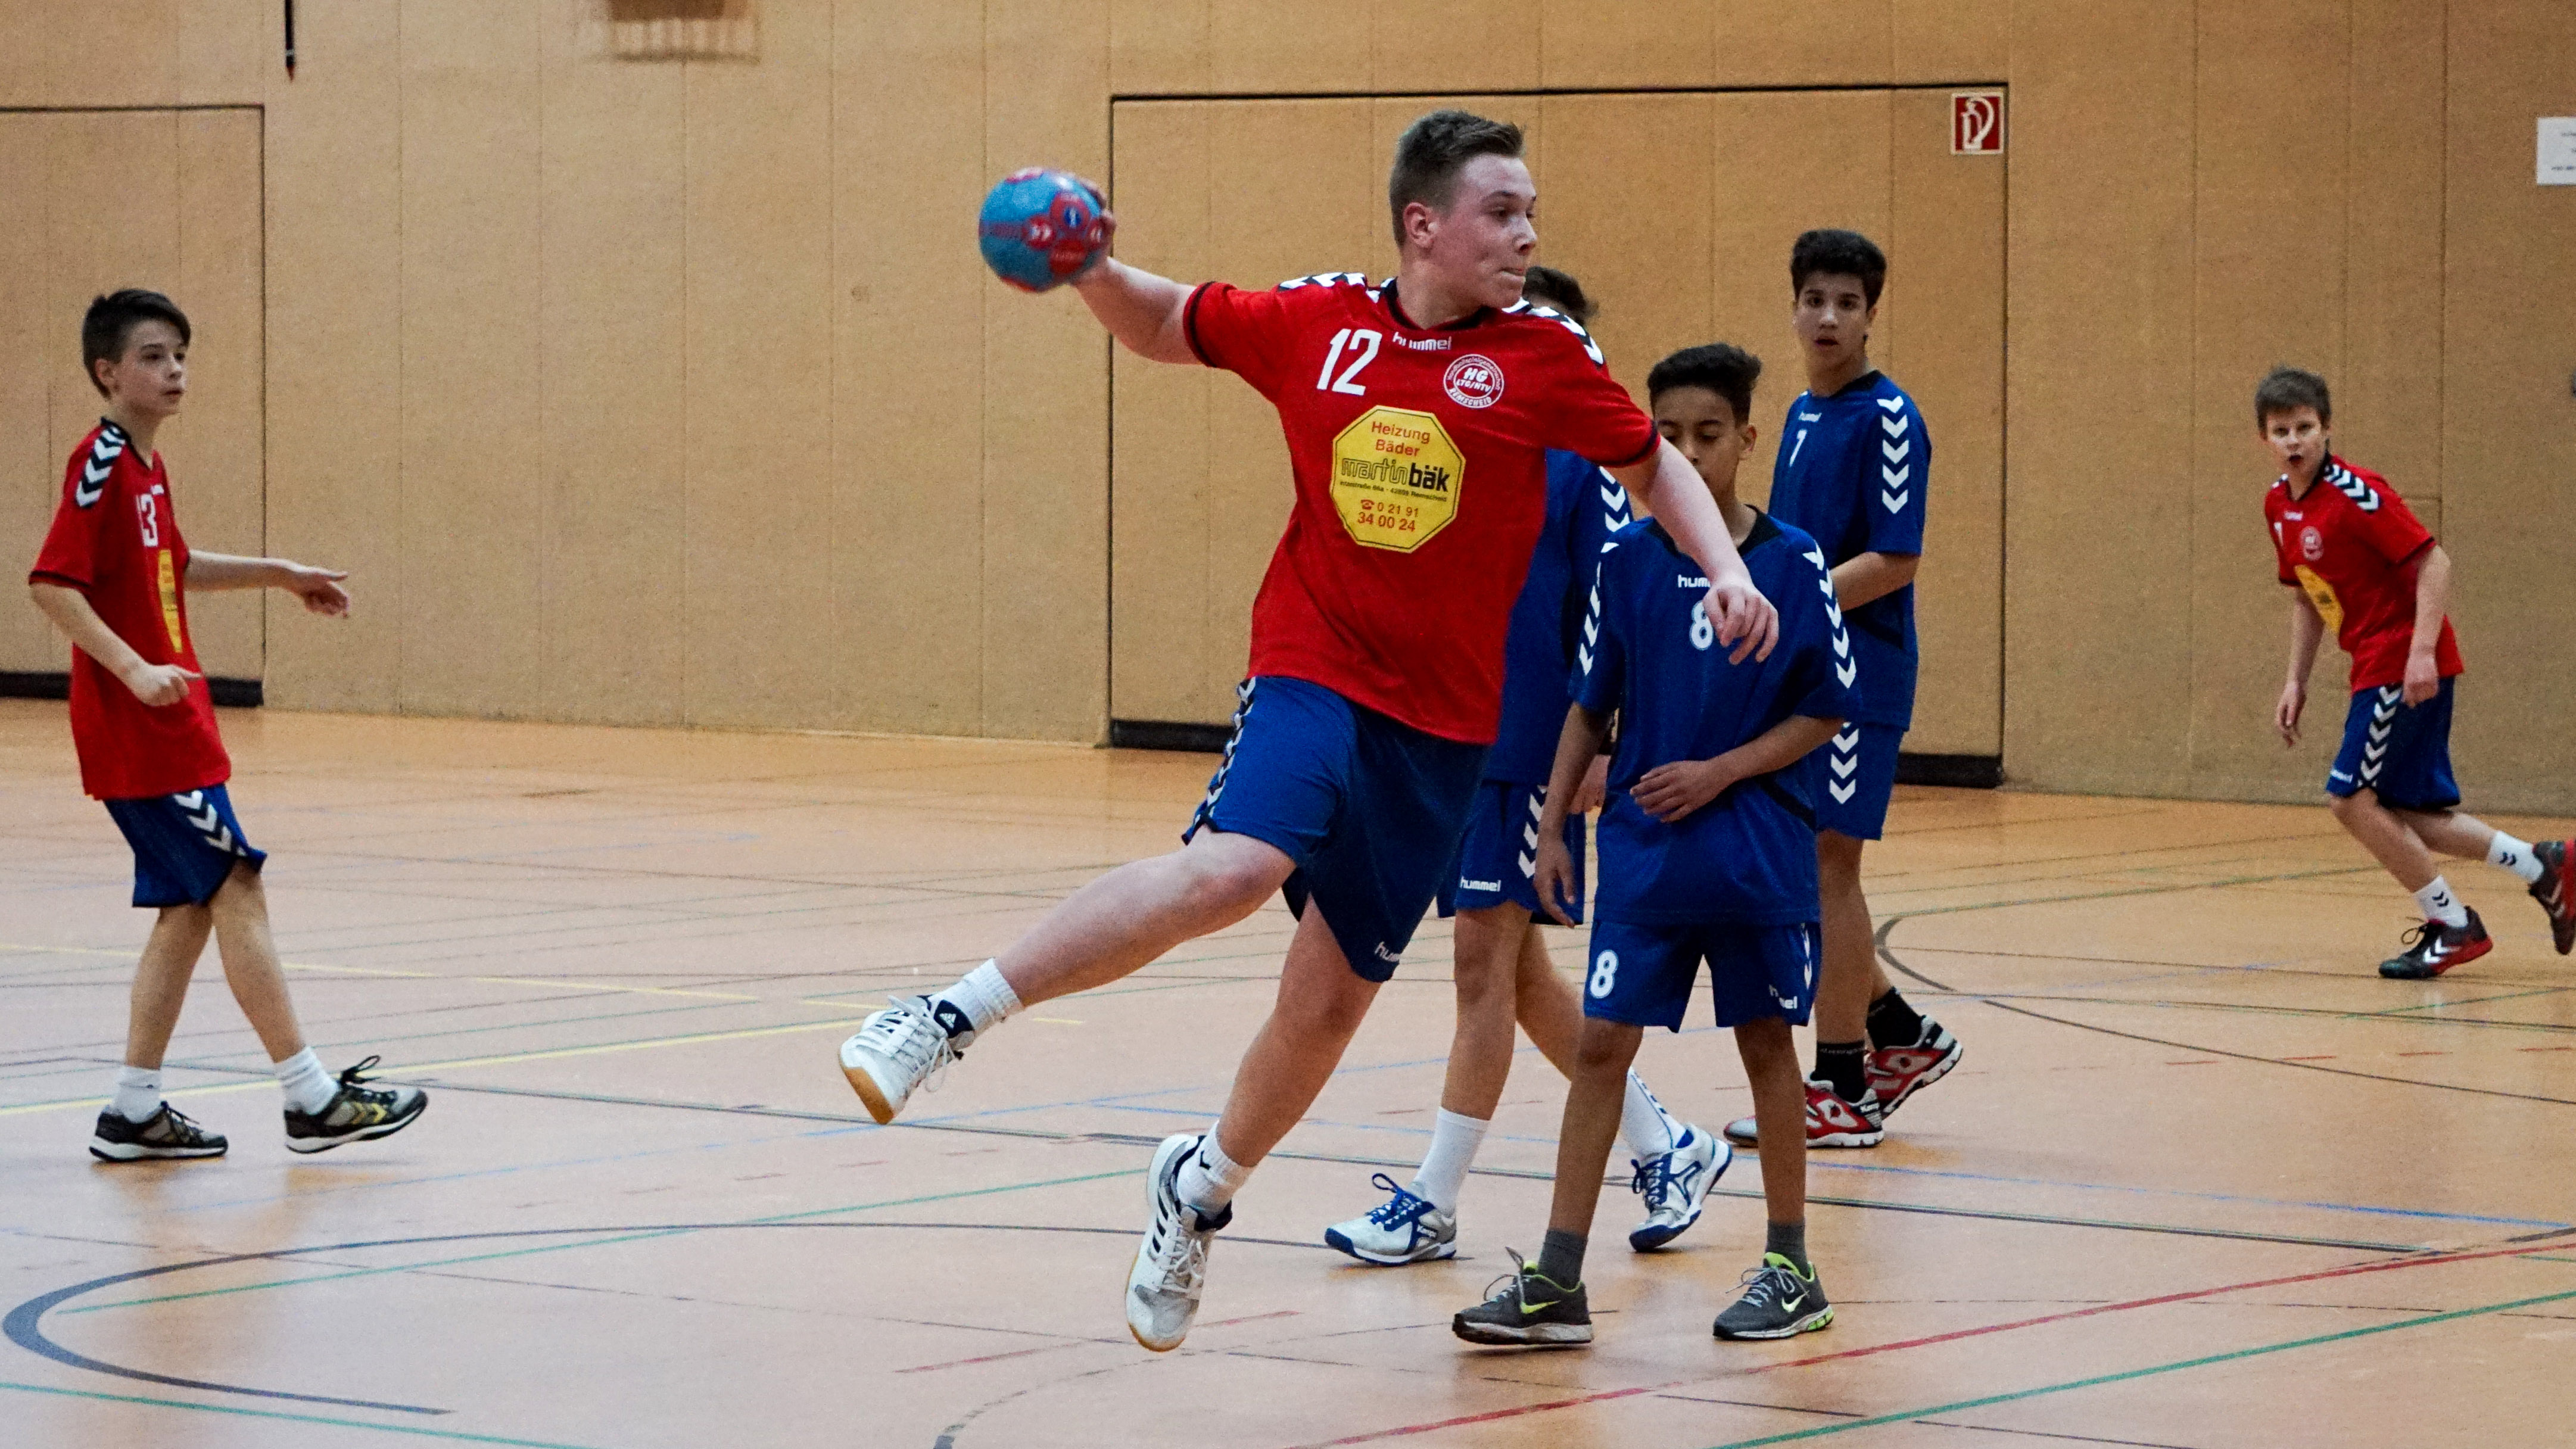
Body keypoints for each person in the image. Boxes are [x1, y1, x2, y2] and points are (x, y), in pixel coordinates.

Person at [837, 111, 1780, 1353]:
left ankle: (1199, 1188)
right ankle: (944, 1016)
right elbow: (1171, 323)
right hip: (1313, 666)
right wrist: (1093, 273)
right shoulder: (1322, 321)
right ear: (1422, 225)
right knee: (1232, 867)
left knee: (1328, 1004)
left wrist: (1726, 569)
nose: (1526, 234)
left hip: (1444, 731)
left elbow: (1650, 465)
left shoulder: (1541, 354)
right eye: (1501, 212)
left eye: (1529, 213)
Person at [1322, 264, 1723, 1269]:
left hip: (1529, 750)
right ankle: (1667, 1144)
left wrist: (1603, 745)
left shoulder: (1588, 468)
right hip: (1453, 739)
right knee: (1521, 973)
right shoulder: (1456, 441)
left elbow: (1614, 614)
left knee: (1479, 968)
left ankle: (1435, 1199)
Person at [1453, 342, 1850, 1347]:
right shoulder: (1627, 561)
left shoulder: (1793, 561)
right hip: (1645, 852)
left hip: (1755, 849)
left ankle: (1792, 1267)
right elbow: (1590, 705)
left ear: (1747, 439)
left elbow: (1825, 710)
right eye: (1667, 436)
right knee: (1599, 1046)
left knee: (1766, 1044)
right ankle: (1557, 1280)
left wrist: (1720, 771)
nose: (1687, 452)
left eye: (1708, 435)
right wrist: (1552, 826)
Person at [27, 289, 429, 1162]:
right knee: (237, 882)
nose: (174, 371)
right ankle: (311, 1098)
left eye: (180, 355)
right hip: (144, 729)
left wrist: (281, 573)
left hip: (175, 722)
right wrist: (133, 669)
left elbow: (171, 564)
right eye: (153, 356)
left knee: (189, 908)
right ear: (107, 371)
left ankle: (133, 1112)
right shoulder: (100, 462)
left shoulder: (148, 468)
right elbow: (52, 583)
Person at [1725, 229, 1961, 1154]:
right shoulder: (1799, 411)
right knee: (1808, 866)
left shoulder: (1889, 417)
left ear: (1870, 315)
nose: (1828, 317)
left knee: (1830, 868)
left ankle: (1843, 1085)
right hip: (1806, 666)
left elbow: (1896, 557)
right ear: (1793, 308)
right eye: (1814, 299)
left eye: (1847, 303)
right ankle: (1900, 1034)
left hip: (1860, 675)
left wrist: (1796, 605)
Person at [2257, 367, 2574, 977]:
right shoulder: (2278, 505)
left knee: (2348, 799)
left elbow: (2434, 562)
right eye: (2281, 431)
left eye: (2304, 427)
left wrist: (2421, 652)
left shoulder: (2357, 494)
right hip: (2369, 661)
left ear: (2325, 428)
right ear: (2263, 439)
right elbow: (2306, 597)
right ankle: (2544, 865)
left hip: (2398, 659)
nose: (2294, 440)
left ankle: (2452, 925)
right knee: (2403, 812)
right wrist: (2295, 679)